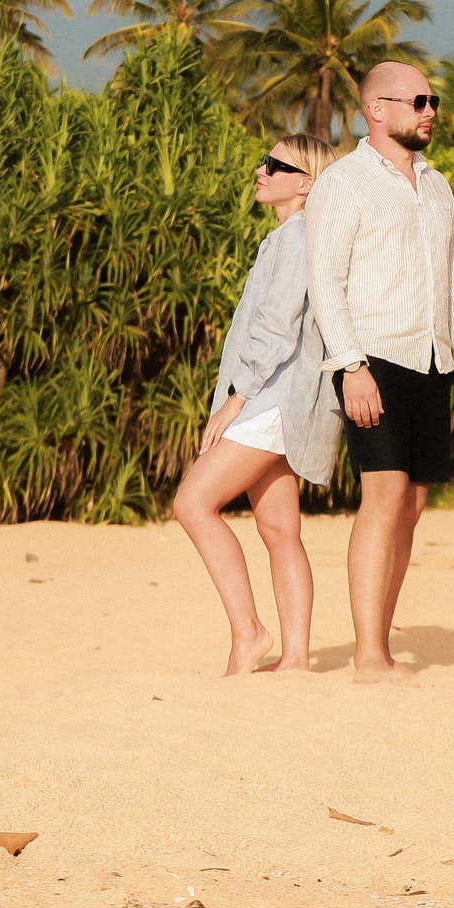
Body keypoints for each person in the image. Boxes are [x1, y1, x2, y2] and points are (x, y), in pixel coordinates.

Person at [306, 60, 454, 684]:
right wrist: (352, 367)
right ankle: (369, 658)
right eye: (419, 101)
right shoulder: (346, 183)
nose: (431, 110)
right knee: (383, 495)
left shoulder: (437, 187)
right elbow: (325, 283)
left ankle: (380, 641)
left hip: (432, 359)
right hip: (373, 358)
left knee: (412, 504)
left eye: (433, 99)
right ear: (377, 109)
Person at [173, 135, 342, 676]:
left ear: (306, 183)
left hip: (268, 402)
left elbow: (275, 332)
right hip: (279, 401)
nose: (260, 170)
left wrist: (232, 402)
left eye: (275, 165)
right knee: (280, 531)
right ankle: (295, 658)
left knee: (192, 504)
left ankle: (249, 634)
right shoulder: (288, 239)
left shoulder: (296, 240)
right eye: (264, 161)